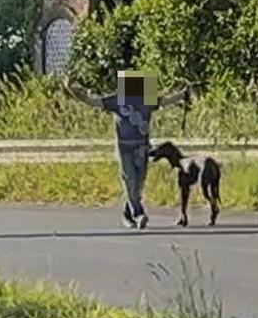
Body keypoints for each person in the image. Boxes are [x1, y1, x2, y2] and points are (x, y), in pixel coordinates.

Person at [67, 72, 189, 229]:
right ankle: (138, 213)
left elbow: (165, 101)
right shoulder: (118, 100)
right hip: (125, 147)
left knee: (138, 184)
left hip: (142, 147)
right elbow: (93, 101)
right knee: (129, 179)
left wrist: (183, 94)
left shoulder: (146, 99)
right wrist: (75, 91)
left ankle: (127, 213)